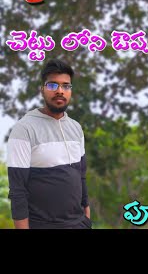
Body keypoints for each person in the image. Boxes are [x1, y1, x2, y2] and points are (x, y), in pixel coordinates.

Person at [6, 58, 91, 229]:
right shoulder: (24, 129)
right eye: (53, 85)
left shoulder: (76, 128)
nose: (60, 91)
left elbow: (81, 176)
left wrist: (87, 219)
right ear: (42, 90)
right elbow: (17, 191)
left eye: (66, 86)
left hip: (78, 223)